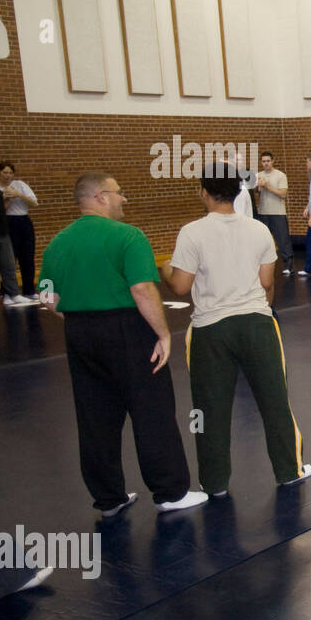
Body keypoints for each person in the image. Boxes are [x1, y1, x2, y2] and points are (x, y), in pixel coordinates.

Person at [37, 172, 207, 517]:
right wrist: (162, 334)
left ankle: (109, 498)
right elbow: (143, 290)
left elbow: (46, 296)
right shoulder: (128, 236)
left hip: (80, 333)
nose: (124, 199)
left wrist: (80, 319)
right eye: (119, 193)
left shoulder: (57, 241)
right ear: (100, 197)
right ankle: (170, 493)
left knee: (94, 415)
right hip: (127, 330)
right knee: (152, 409)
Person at [161, 162, 311, 496]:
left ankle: (214, 484)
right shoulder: (259, 229)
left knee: (210, 408)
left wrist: (163, 269)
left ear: (203, 192)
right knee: (274, 400)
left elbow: (179, 287)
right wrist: (262, 313)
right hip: (257, 323)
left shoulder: (192, 232)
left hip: (211, 330)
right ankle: (289, 471)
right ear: (238, 191)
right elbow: (267, 283)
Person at [0, 161, 40, 298]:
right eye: (5, 172)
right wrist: (4, 199)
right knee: (9, 259)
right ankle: (8, 292)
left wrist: (18, 194)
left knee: (27, 257)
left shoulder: (20, 185)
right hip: (7, 223)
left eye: (10, 173)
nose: (7, 176)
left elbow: (34, 203)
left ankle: (29, 290)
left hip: (24, 221)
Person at [256, 151, 293, 275]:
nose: (265, 163)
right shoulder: (258, 175)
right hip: (263, 212)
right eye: (263, 161)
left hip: (278, 213)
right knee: (262, 240)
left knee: (283, 239)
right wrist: (258, 187)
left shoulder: (280, 175)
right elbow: (256, 192)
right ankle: (262, 264)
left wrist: (268, 186)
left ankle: (288, 265)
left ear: (273, 161)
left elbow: (283, 194)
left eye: (268, 161)